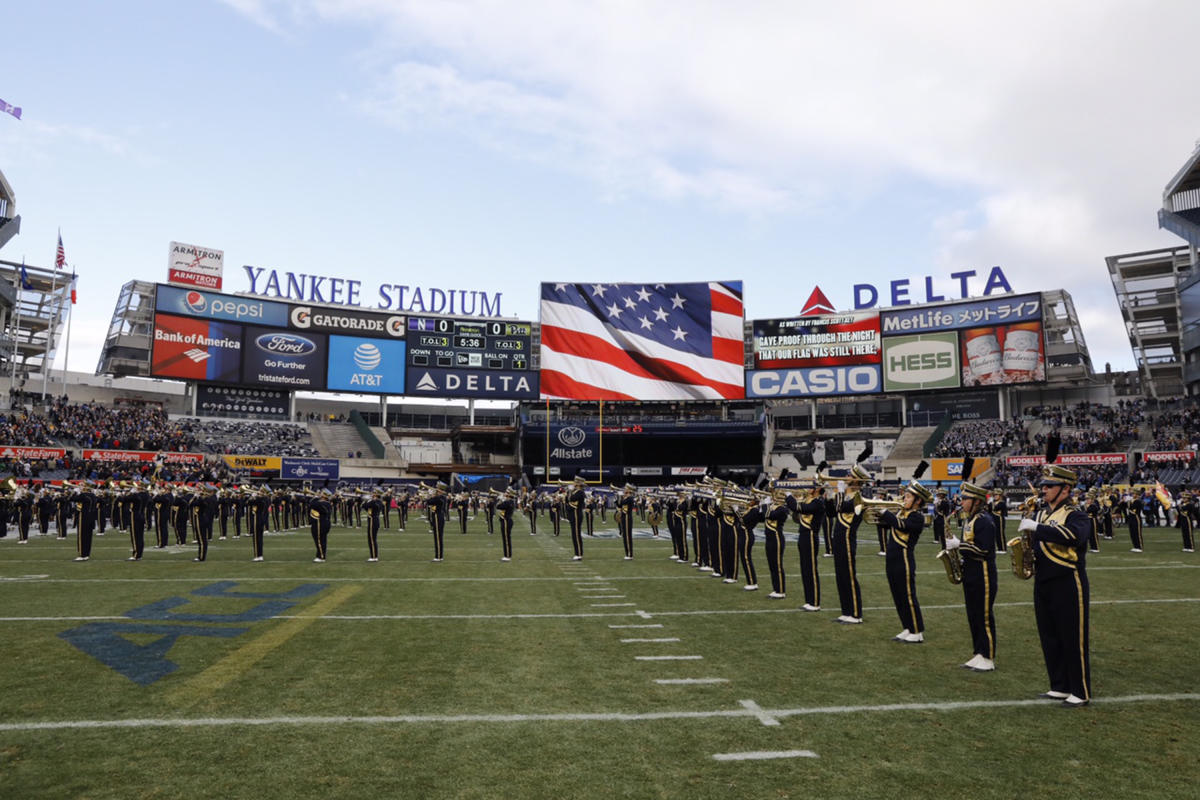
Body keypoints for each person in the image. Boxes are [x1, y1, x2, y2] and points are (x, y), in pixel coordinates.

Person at [1017, 463, 1093, 707]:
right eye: (1044, 485)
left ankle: (1080, 691)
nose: (1045, 489)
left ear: (1066, 489)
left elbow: (1074, 536)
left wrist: (1037, 528)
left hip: (1068, 581)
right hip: (1043, 580)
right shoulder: (1040, 513)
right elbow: (1035, 542)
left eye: (1050, 486)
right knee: (1049, 635)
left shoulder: (1076, 515)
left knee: (1072, 637)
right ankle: (1059, 685)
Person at [943, 481, 997, 670]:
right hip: (971, 573)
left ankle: (988, 656)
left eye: (966, 498)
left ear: (976, 501)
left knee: (983, 615)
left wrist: (959, 545)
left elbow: (983, 549)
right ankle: (979, 652)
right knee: (973, 615)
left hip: (983, 574)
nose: (962, 501)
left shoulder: (984, 520)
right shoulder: (969, 519)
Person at [878, 479, 931, 644]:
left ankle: (917, 630)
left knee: (908, 595)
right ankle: (908, 627)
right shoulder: (902, 513)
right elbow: (889, 525)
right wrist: (879, 514)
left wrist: (886, 513)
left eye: (908, 497)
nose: (904, 499)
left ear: (918, 501)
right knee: (898, 595)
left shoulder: (917, 517)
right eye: (905, 496)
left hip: (904, 560)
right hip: (892, 559)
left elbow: (901, 525)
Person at [827, 465, 870, 624]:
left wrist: (838, 492)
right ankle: (846, 611)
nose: (846, 477)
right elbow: (832, 512)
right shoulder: (847, 494)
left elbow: (841, 507)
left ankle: (856, 614)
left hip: (847, 539)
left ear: (856, 480)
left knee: (849, 576)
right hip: (838, 538)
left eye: (849, 475)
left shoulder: (858, 497)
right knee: (840, 576)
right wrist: (828, 496)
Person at [791, 484, 826, 611]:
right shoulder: (809, 499)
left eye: (812, 486)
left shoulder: (818, 502)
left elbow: (799, 508)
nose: (808, 488)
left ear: (817, 489)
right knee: (805, 569)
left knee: (811, 569)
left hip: (811, 536)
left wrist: (789, 496)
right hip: (804, 535)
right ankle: (809, 600)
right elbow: (797, 516)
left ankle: (815, 602)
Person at [427, 482, 449, 562]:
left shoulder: (439, 498)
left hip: (437, 517)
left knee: (438, 538)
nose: (435, 489)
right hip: (437, 517)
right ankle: (439, 555)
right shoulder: (440, 497)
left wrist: (430, 495)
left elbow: (428, 501)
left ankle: (438, 556)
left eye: (437, 488)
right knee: (438, 537)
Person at [566, 479, 586, 561]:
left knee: (576, 534)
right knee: (574, 535)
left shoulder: (580, 492)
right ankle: (577, 553)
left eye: (575, 482)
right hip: (573, 515)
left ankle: (579, 554)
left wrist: (570, 491)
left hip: (576, 515)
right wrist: (569, 491)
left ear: (578, 483)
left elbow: (572, 499)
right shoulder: (575, 491)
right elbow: (567, 500)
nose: (573, 483)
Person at [616, 484, 637, 560]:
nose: (624, 490)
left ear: (629, 490)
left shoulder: (630, 498)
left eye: (625, 489)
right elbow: (619, 505)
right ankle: (627, 553)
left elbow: (624, 503)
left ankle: (630, 554)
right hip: (624, 518)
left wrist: (622, 496)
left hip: (627, 518)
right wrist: (617, 497)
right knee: (625, 536)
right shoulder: (626, 498)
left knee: (628, 536)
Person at [363, 490, 384, 562]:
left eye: (374, 493)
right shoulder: (374, 502)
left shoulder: (378, 502)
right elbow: (365, 506)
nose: (372, 494)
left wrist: (371, 500)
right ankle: (373, 555)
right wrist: (367, 500)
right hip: (372, 520)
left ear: (376, 495)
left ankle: (374, 557)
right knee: (370, 539)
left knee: (372, 539)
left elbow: (374, 506)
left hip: (373, 521)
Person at [497, 487, 516, 561]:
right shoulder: (509, 501)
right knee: (506, 539)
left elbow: (498, 506)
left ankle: (507, 556)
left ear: (509, 494)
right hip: (506, 521)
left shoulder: (508, 502)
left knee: (506, 539)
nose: (505, 494)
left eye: (506, 493)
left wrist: (500, 499)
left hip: (506, 521)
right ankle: (507, 555)